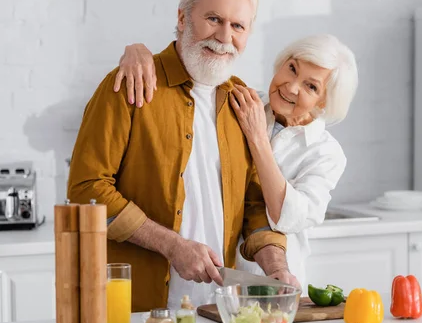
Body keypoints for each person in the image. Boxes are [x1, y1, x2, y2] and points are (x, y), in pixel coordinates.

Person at [67, 0, 299, 312]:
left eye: (238, 26)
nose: (224, 36)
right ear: (182, 17)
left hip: (217, 311)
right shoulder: (130, 85)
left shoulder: (243, 102)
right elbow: (86, 189)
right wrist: (171, 245)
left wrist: (277, 265)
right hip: (136, 308)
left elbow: (254, 204)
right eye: (213, 18)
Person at [113, 34, 358, 288]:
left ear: (324, 101)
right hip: (222, 271)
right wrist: (137, 51)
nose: (291, 87)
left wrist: (257, 139)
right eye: (292, 68)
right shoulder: (242, 100)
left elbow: (287, 218)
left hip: (279, 276)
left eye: (311, 87)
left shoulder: (326, 153)